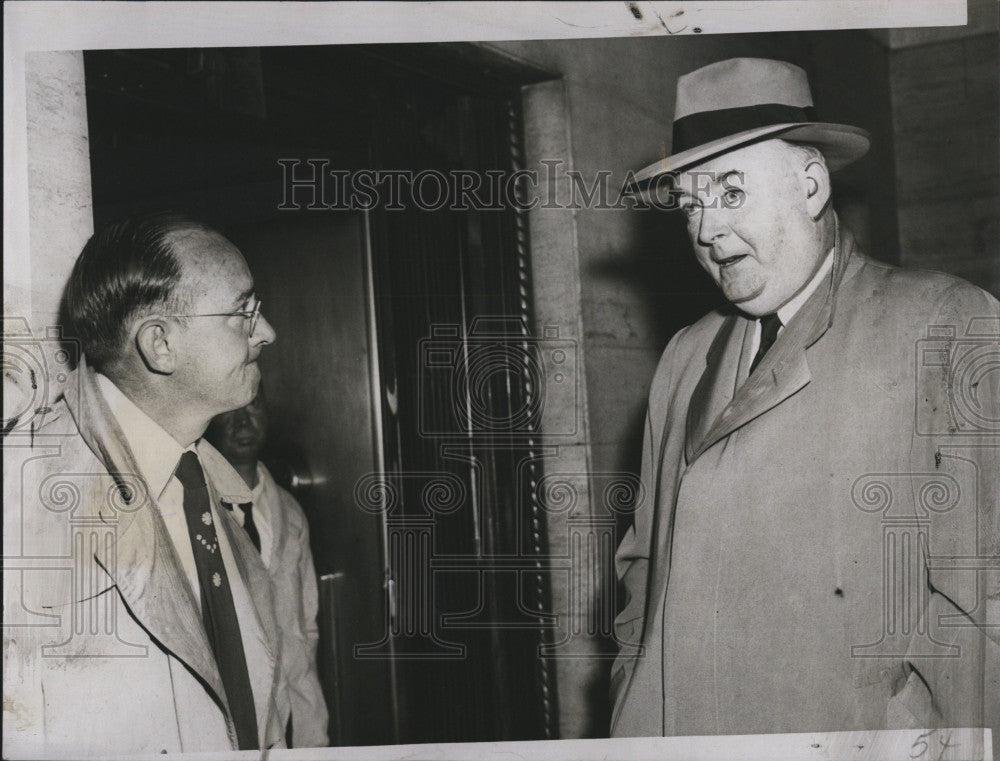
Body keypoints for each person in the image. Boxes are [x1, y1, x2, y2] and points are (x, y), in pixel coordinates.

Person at [610, 58, 999, 737]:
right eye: (692, 203)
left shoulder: (943, 325)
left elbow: (985, 607)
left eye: (731, 193)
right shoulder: (682, 358)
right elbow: (642, 577)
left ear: (812, 184)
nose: (705, 229)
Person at [2, 213, 284, 755]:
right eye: (243, 313)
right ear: (160, 344)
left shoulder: (212, 488)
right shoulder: (27, 506)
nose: (266, 332)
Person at [204, 388, 329, 747]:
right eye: (231, 409)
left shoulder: (289, 511)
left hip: (296, 707)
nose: (243, 421)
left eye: (254, 406)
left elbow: (308, 623)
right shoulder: (200, 511)